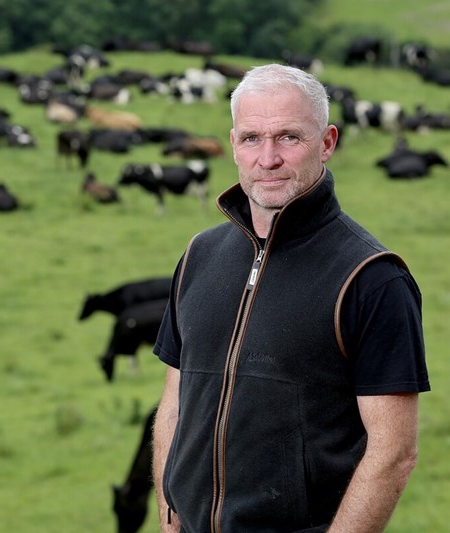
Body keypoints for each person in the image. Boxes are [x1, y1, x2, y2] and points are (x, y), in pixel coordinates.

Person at [152, 63, 430, 533]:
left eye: (288, 137)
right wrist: (169, 516)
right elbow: (175, 401)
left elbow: (394, 453)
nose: (267, 158)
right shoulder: (200, 255)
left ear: (326, 143)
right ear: (234, 143)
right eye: (251, 138)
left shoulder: (372, 278)